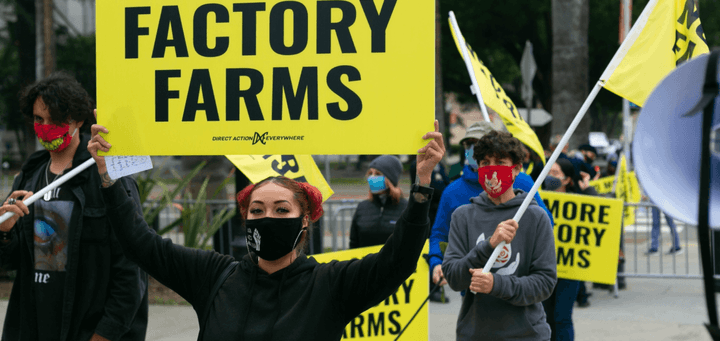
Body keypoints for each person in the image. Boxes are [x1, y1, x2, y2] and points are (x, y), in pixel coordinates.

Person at [88, 119, 445, 340]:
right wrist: (107, 176)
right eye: (257, 210)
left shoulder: (330, 285)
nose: (268, 217)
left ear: (304, 219)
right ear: (245, 218)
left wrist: (422, 183)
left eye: (281, 209)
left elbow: (396, 261)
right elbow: (141, 244)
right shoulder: (213, 277)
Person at [0, 72, 148, 341]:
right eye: (39, 119)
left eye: (56, 120)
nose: (46, 127)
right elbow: (10, 262)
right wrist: (5, 232)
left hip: (85, 328)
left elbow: (131, 269)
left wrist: (104, 334)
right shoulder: (28, 176)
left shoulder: (107, 178)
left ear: (77, 120)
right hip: (33, 326)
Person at [442, 130, 556, 341]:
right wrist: (488, 246)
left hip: (527, 335)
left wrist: (496, 285)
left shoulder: (535, 217)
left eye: (500, 162)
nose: (491, 169)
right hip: (475, 334)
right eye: (485, 162)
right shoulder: (463, 216)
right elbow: (454, 278)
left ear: (516, 170)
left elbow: (544, 283)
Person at [542, 158, 597, 341]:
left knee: (562, 317)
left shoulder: (579, 201)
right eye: (549, 172)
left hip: (569, 269)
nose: (551, 176)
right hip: (543, 269)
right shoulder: (538, 199)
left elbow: (599, 211)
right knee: (545, 317)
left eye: (556, 173)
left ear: (567, 180)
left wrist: (587, 188)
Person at [349, 155, 408, 249]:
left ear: (390, 179)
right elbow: (354, 243)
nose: (372, 177)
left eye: (377, 174)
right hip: (365, 263)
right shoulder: (362, 207)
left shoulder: (406, 208)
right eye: (370, 173)